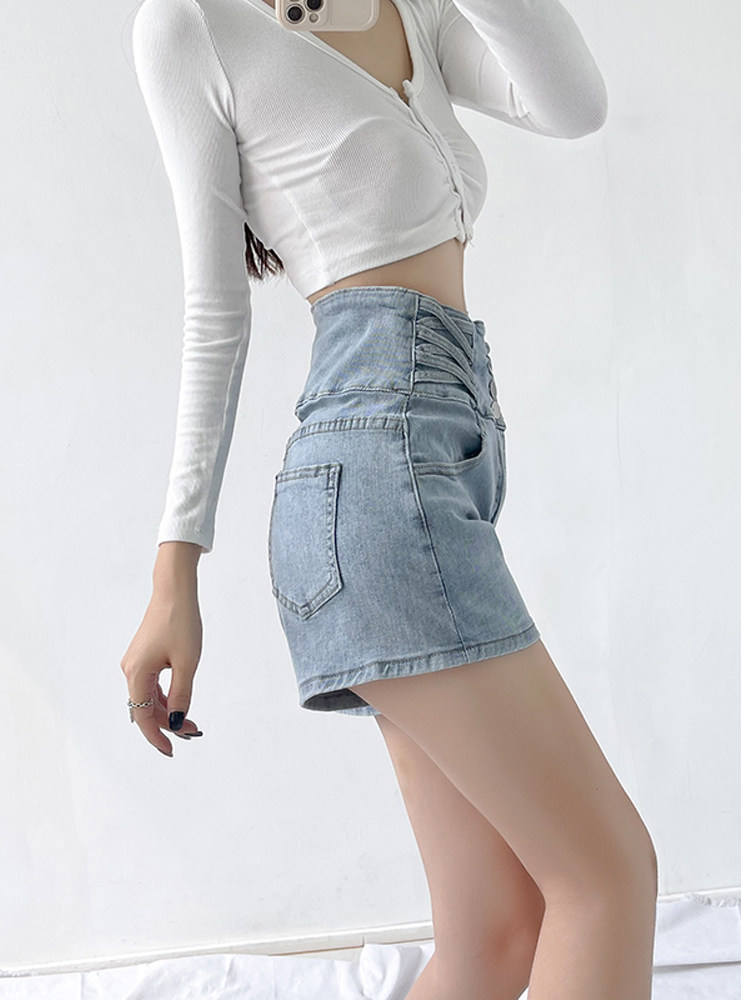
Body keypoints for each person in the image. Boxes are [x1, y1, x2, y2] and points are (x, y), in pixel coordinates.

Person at [121, 0, 658, 996]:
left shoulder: (413, 7)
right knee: (607, 879)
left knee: (495, 934)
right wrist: (173, 575)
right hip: (375, 465)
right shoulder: (193, 24)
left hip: (440, 453)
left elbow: (572, 105)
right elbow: (214, 312)